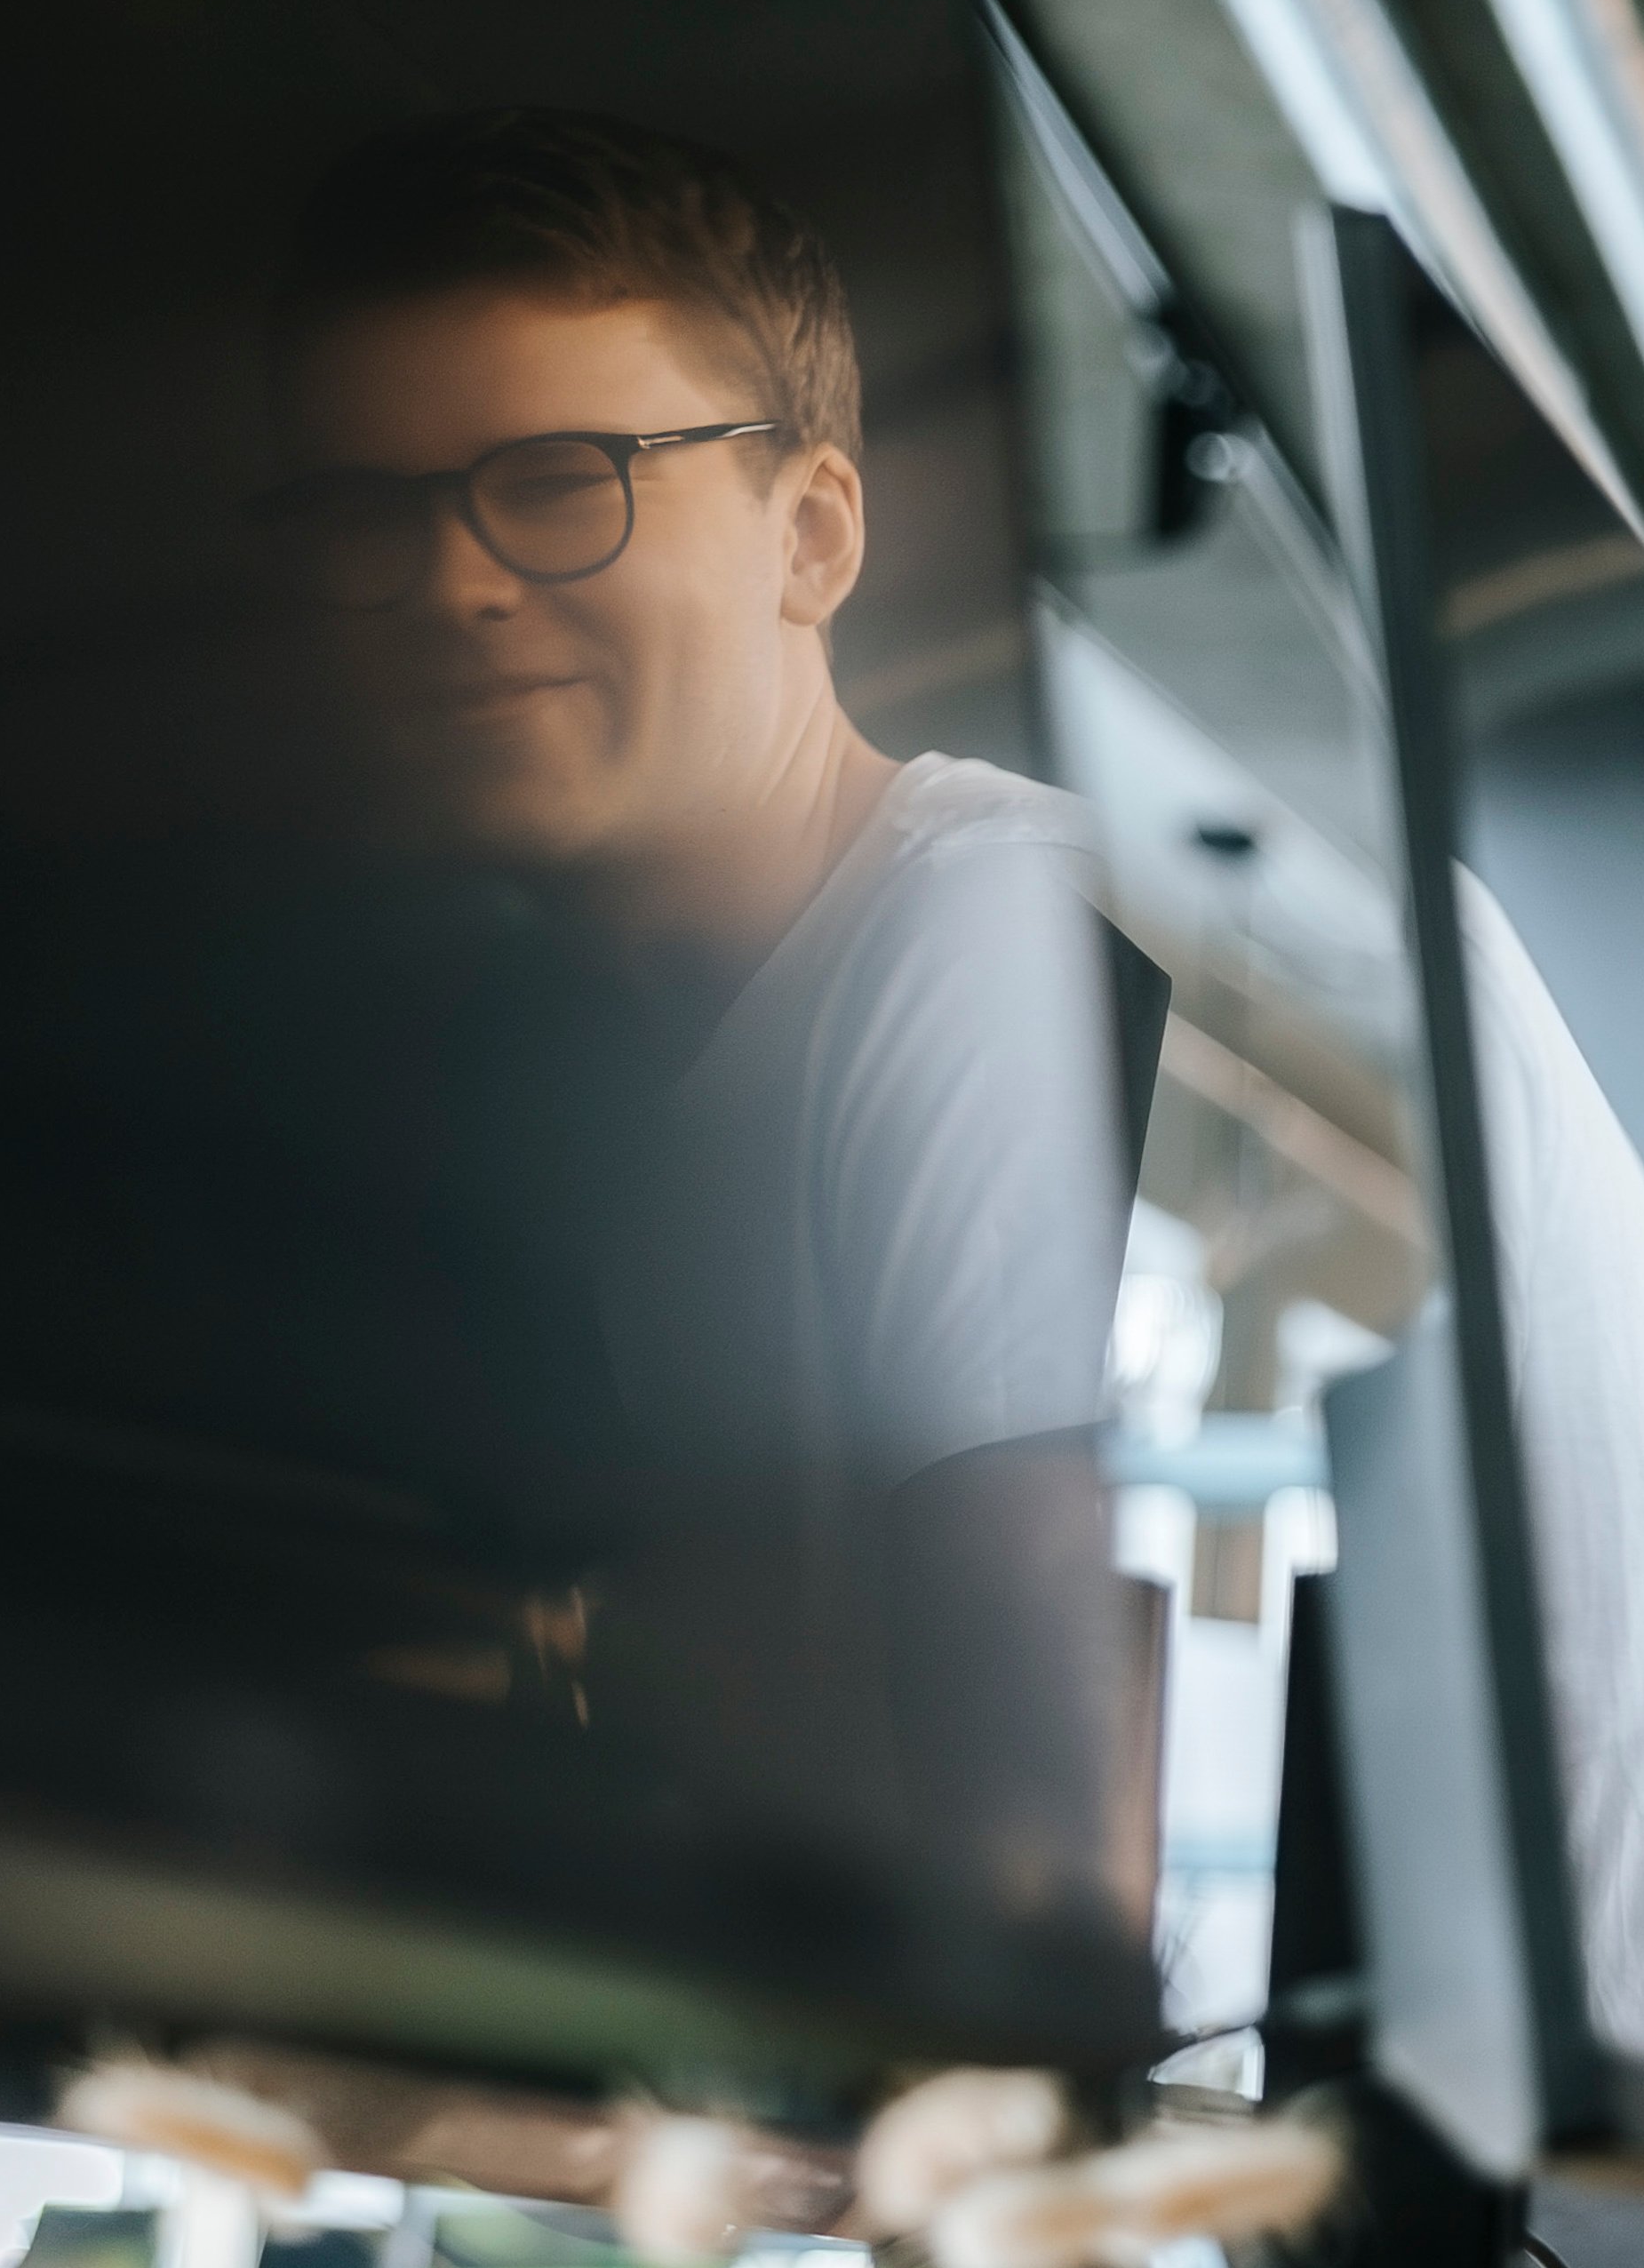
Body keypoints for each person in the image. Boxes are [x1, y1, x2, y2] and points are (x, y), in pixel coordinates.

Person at [259, 107, 1137, 1940]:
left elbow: (1048, 1839)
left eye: (561, 477)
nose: (448, 582)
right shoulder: (650, 1079)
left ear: (811, 532)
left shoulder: (982, 923)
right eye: (367, 510)